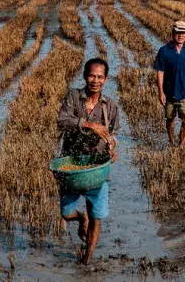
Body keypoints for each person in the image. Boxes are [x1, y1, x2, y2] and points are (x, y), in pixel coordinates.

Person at [57, 57, 119, 265]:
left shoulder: (110, 105)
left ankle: (86, 259)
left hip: (97, 167)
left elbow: (114, 134)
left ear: (106, 79)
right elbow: (62, 120)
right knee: (66, 213)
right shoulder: (74, 97)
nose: (95, 80)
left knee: (97, 216)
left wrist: (112, 146)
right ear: (85, 76)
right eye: (92, 75)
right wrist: (89, 124)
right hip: (72, 164)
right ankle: (80, 218)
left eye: (100, 77)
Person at [154, 21, 185, 147]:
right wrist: (161, 92)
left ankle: (181, 145)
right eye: (178, 32)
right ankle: (172, 141)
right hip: (169, 91)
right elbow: (160, 72)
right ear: (173, 33)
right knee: (170, 120)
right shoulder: (164, 51)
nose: (180, 35)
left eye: (183, 33)